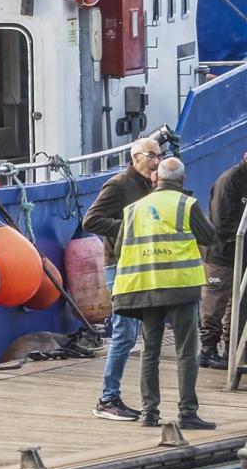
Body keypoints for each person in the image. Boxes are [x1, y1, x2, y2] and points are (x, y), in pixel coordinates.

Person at [111, 156, 217, 429]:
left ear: (156, 179)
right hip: (180, 288)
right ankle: (187, 412)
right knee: (186, 352)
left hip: (145, 288)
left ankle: (149, 412)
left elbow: (118, 249)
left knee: (150, 351)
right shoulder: (186, 204)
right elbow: (209, 237)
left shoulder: (133, 209)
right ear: (182, 180)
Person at [82, 136, 160, 420]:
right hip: (120, 265)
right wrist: (128, 226)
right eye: (151, 155)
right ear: (135, 156)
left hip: (142, 264)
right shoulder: (118, 185)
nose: (156, 161)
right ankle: (107, 399)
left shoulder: (148, 185)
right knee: (124, 333)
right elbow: (90, 220)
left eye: (159, 156)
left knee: (136, 334)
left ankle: (121, 398)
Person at [199, 151, 247, 369]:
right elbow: (222, 222)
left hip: (242, 252)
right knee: (215, 301)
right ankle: (208, 349)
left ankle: (233, 348)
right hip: (221, 253)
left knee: (241, 302)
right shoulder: (229, 181)